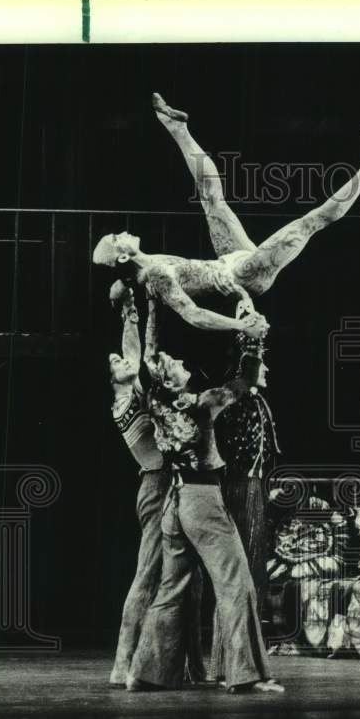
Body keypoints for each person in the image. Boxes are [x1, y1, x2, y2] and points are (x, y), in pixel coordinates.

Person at [92, 93, 360, 332]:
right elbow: (193, 315)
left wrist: (147, 351)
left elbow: (152, 332)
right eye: (117, 238)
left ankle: (177, 128)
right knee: (309, 223)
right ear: (122, 256)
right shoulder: (154, 275)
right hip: (246, 275)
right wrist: (241, 325)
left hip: (229, 260)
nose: (123, 232)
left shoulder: (149, 272)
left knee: (211, 199)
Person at [125, 298, 282, 694]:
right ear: (174, 381)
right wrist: (253, 339)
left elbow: (149, 355)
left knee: (171, 588)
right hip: (202, 502)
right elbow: (244, 382)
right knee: (236, 584)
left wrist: (152, 308)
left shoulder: (156, 402)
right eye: (176, 365)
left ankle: (144, 673)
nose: (179, 362)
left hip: (174, 505)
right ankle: (249, 675)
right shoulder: (201, 405)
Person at [106, 287, 205, 686]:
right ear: (113, 378)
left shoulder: (137, 394)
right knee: (148, 574)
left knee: (190, 578)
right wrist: (133, 314)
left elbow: (133, 354)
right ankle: (122, 662)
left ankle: (193, 665)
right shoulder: (123, 403)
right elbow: (131, 362)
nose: (120, 361)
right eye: (114, 363)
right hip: (157, 485)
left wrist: (132, 310)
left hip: (175, 484)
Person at [209, 328, 282, 678]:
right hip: (236, 488)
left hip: (253, 489)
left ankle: (243, 659)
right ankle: (230, 661)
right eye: (261, 364)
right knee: (238, 575)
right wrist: (249, 337)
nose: (266, 370)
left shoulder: (254, 401)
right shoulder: (237, 399)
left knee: (253, 573)